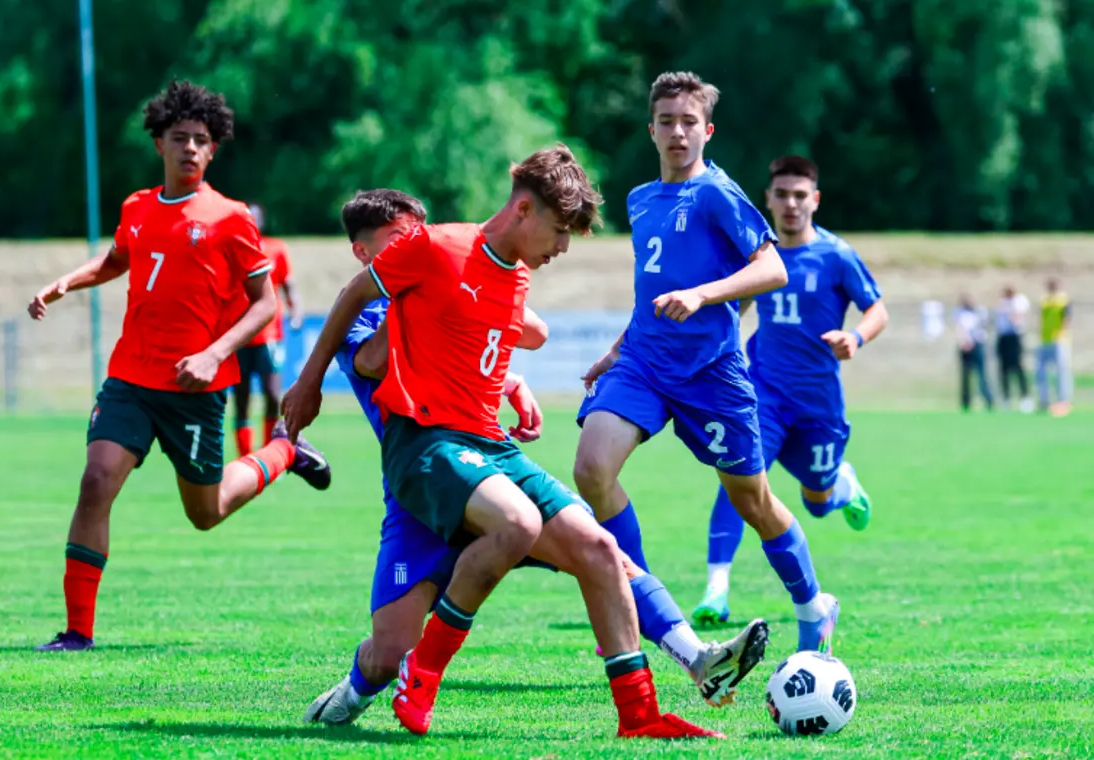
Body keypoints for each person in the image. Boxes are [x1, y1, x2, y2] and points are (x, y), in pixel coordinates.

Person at [283, 147, 736, 740]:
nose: (564, 248)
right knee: (411, 628)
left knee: (599, 549)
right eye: (559, 230)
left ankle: (640, 716)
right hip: (426, 448)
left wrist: (513, 384)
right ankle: (416, 673)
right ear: (523, 209)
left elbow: (480, 338)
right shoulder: (433, 247)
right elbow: (352, 300)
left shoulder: (515, 275)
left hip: (487, 452)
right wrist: (309, 382)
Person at [26, 80, 329, 651]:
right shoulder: (137, 207)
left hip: (196, 387)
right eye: (180, 138)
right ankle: (77, 633)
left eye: (201, 140)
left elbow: (264, 301)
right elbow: (118, 259)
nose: (190, 148)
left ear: (213, 150)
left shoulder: (231, 218)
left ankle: (283, 450)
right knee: (96, 482)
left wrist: (216, 351)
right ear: (159, 144)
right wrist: (68, 280)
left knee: (206, 512)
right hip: (130, 380)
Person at [574, 72, 841, 656]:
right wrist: (617, 350)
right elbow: (653, 292)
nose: (677, 132)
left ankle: (812, 606)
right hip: (644, 364)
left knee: (753, 502)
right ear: (651, 130)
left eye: (689, 122)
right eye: (666, 122)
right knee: (592, 469)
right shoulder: (641, 200)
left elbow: (772, 270)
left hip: (712, 375)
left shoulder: (718, 193)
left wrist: (704, 294)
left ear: (707, 131)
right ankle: (643, 605)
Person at [692, 155, 889, 625]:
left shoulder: (836, 256)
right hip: (764, 396)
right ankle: (716, 590)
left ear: (815, 200)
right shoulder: (759, 257)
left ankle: (842, 483)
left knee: (816, 503)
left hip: (819, 406)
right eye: (782, 195)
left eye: (800, 195)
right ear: (769, 199)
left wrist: (855, 337)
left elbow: (877, 309)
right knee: (738, 480)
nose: (791, 204)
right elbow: (735, 309)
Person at [231, 203, 319, 466]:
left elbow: (288, 285)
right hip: (239, 336)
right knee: (242, 397)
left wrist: (296, 311)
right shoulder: (232, 250)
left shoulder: (276, 249)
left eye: (255, 218)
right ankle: (245, 459)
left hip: (269, 336)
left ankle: (268, 453)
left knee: (271, 395)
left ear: (261, 221)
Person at [1036, 277, 1073, 417]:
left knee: (1061, 372)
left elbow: (1067, 317)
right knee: (1041, 372)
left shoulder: (1063, 299)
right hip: (1045, 339)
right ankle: (1044, 400)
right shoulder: (1044, 300)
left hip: (1059, 339)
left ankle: (1063, 401)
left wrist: (1061, 332)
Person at [994, 285, 1032, 412]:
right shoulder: (1002, 302)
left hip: (1015, 336)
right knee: (1003, 369)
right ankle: (1006, 398)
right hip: (1003, 337)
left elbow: (1017, 317)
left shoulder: (1019, 300)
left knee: (1018, 367)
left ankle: (1025, 397)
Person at [955, 293, 994, 412]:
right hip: (965, 347)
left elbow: (985, 326)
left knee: (982, 374)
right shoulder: (960, 313)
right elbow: (959, 328)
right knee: (965, 376)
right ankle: (966, 402)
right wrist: (963, 341)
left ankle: (988, 399)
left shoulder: (980, 312)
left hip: (978, 345)